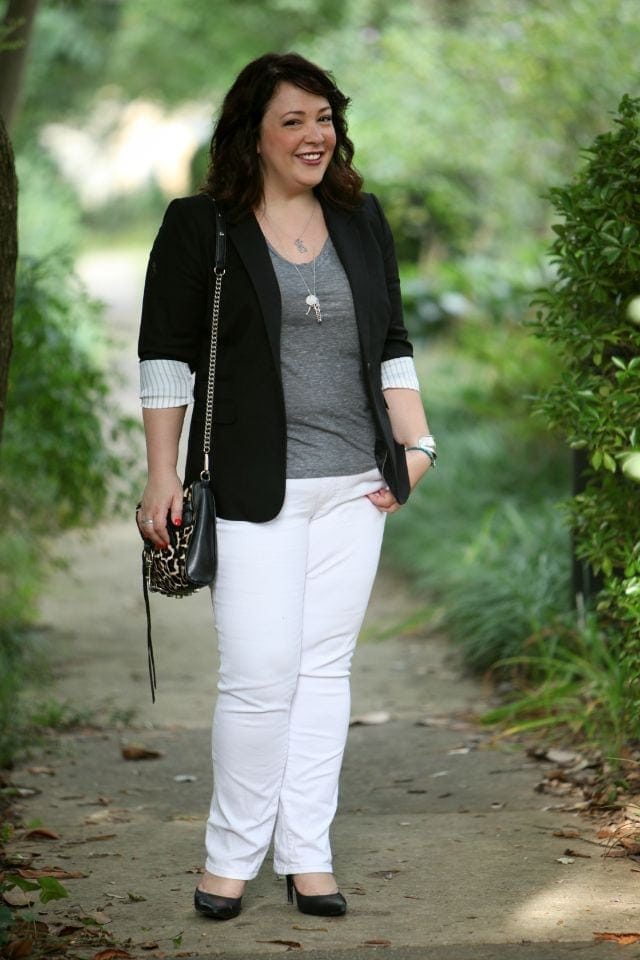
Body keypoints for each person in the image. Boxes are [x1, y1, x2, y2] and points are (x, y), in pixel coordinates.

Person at [136, 51, 435, 921]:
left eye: (325, 118)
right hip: (253, 484)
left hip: (357, 485)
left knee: (323, 672)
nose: (315, 135)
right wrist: (163, 475)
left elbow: (393, 343)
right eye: (293, 120)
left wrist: (419, 446)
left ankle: (309, 853)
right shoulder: (203, 226)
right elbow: (166, 355)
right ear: (253, 136)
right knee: (260, 675)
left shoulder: (360, 218)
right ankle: (230, 856)